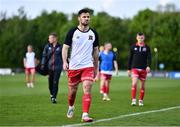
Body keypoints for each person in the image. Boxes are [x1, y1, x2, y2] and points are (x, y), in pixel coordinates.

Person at [62, 8, 99, 122]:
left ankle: (85, 114)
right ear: (79, 18)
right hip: (74, 66)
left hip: (88, 65)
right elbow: (65, 48)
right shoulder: (72, 32)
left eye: (88, 17)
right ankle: (71, 106)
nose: (86, 18)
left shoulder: (93, 33)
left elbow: (96, 51)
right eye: (84, 16)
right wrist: (65, 62)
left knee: (87, 88)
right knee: (72, 92)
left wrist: (96, 68)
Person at [127, 32, 152, 106]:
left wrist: (148, 66)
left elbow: (149, 58)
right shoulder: (133, 47)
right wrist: (129, 69)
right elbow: (130, 58)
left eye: (142, 38)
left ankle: (141, 100)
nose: (140, 39)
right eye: (139, 38)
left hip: (143, 69)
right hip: (135, 68)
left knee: (142, 86)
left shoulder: (147, 47)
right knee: (134, 83)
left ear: (144, 38)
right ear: (136, 38)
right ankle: (133, 100)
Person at [41, 33, 63, 104]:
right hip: (49, 68)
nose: (49, 39)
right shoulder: (47, 46)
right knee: (50, 83)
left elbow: (64, 57)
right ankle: (51, 94)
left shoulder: (61, 47)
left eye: (50, 38)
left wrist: (67, 64)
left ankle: (54, 97)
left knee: (55, 82)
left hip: (58, 68)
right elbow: (44, 56)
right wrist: (43, 64)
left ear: (55, 38)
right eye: (49, 38)